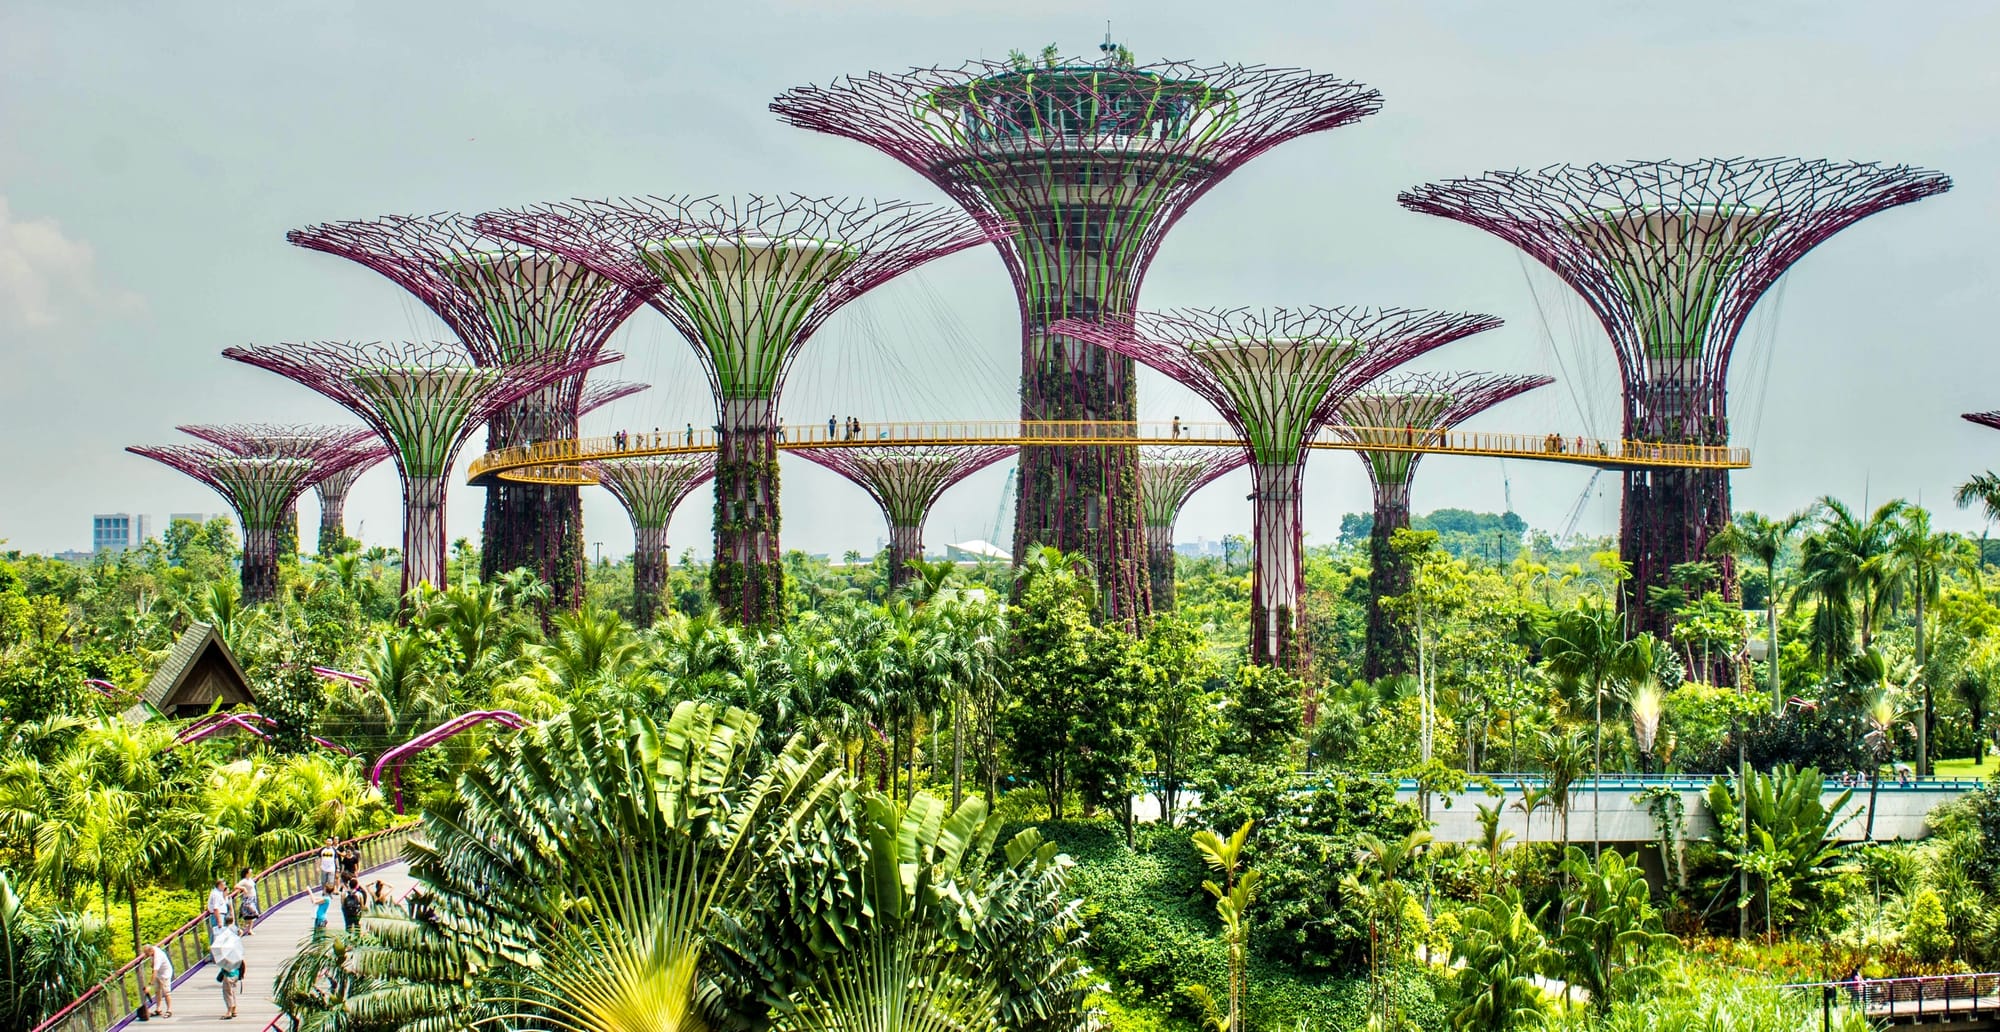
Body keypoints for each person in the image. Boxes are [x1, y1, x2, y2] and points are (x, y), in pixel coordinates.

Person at [142, 943, 174, 1018]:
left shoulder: (158, 957)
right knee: (157, 991)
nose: (146, 956)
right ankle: (158, 1009)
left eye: (147, 954)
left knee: (166, 992)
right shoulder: (152, 950)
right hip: (158, 973)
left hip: (165, 973)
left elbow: (155, 971)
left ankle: (169, 1010)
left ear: (151, 951)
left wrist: (149, 986)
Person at [234, 867, 258, 935]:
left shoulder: (250, 879)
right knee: (252, 911)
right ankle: (243, 927)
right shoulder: (244, 881)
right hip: (247, 899)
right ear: (247, 873)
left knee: (250, 916)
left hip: (253, 898)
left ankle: (249, 930)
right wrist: (243, 888)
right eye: (250, 872)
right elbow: (236, 886)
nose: (251, 873)